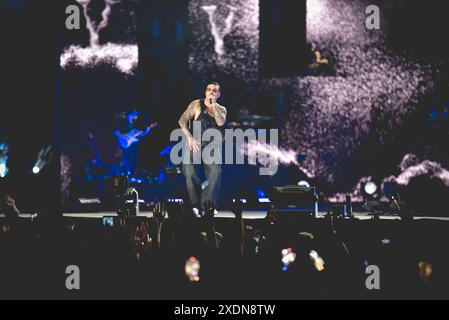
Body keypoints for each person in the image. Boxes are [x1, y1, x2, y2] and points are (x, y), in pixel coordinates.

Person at [178, 82, 227, 215]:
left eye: (214, 90)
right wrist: (189, 137)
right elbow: (182, 121)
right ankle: (195, 204)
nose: (211, 92)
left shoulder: (221, 109)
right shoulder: (196, 104)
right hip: (195, 142)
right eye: (209, 90)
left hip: (212, 144)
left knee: (215, 174)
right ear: (205, 92)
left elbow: (220, 122)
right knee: (189, 172)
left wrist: (213, 105)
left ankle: (208, 206)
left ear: (218, 94)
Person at [114, 111, 157, 177]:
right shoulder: (123, 124)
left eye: (136, 116)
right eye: (134, 115)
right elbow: (116, 133)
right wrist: (125, 136)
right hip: (124, 145)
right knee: (124, 160)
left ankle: (131, 176)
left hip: (131, 146)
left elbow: (140, 134)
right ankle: (121, 176)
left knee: (133, 160)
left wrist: (149, 128)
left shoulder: (135, 125)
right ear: (129, 116)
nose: (136, 117)